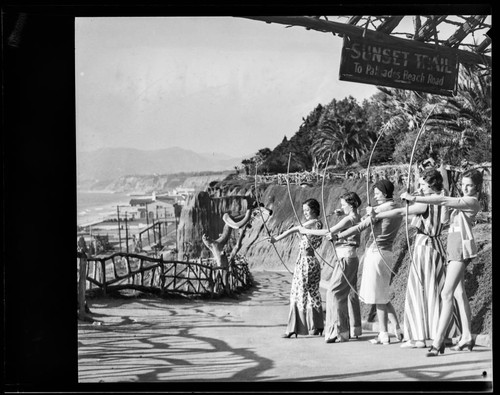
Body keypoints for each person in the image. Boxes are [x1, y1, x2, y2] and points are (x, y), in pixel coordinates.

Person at [371, 169, 460, 349]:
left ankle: (419, 337)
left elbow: (400, 213)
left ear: (431, 185)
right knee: (436, 290)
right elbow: (407, 213)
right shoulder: (439, 199)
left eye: (422, 185)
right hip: (435, 247)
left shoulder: (425, 203)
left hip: (424, 247)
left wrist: (378, 215)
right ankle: (446, 335)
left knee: (419, 290)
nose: (419, 188)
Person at [401, 169, 483, 356]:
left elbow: (443, 200)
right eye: (463, 184)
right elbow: (445, 216)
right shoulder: (461, 203)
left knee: (446, 294)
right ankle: (467, 336)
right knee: (458, 293)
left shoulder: (471, 201)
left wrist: (414, 198)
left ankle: (438, 342)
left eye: (469, 185)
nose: (465, 188)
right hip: (453, 250)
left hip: (460, 251)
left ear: (477, 187)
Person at [335, 179, 403, 345]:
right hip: (387, 253)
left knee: (378, 296)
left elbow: (360, 226)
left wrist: (339, 235)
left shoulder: (379, 210)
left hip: (375, 252)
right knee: (383, 294)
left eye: (378, 192)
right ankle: (397, 328)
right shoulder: (397, 208)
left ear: (386, 192)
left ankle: (383, 334)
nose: (375, 195)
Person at [298, 192, 363, 343]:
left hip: (345, 258)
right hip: (350, 257)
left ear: (351, 205)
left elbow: (328, 232)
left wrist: (306, 230)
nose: (341, 207)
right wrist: (341, 213)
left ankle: (338, 331)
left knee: (333, 293)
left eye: (343, 205)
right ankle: (352, 329)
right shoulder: (356, 216)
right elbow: (351, 218)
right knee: (349, 293)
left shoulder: (349, 218)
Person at [269, 198, 324, 338]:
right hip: (312, 264)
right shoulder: (313, 224)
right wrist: (277, 238)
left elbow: (301, 230)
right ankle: (317, 326)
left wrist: (300, 229)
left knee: (298, 294)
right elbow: (294, 229)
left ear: (314, 210)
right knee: (314, 294)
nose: (305, 212)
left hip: (306, 263)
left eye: (307, 210)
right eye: (304, 210)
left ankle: (294, 328)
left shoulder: (315, 224)